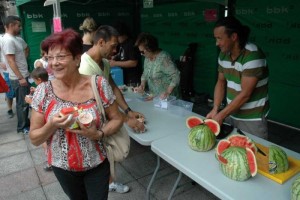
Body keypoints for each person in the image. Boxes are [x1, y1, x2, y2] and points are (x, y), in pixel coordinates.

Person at [29, 29, 123, 200]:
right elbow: (34, 138)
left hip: (97, 163)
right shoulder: (43, 91)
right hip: (62, 167)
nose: (54, 63)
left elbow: (117, 119)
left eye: (61, 57)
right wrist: (52, 124)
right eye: (50, 58)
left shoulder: (98, 84)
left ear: (77, 58)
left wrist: (99, 133)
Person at [79, 25, 145, 194]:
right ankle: (105, 185)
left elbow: (113, 87)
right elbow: (102, 102)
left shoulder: (105, 63)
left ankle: (108, 182)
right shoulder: (86, 68)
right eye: (113, 46)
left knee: (105, 155)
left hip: (104, 118)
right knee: (99, 157)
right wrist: (126, 119)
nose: (116, 50)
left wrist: (128, 110)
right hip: (91, 121)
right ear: (101, 42)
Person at [206, 16, 270, 139]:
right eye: (216, 38)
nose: (216, 43)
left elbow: (245, 94)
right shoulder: (223, 54)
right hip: (231, 113)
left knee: (254, 152)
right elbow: (220, 82)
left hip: (252, 118)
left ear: (234, 37)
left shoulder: (253, 56)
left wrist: (220, 115)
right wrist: (215, 109)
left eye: (219, 38)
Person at [1, 16, 30, 134]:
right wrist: (20, 77)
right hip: (19, 78)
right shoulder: (8, 40)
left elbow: (26, 49)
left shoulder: (16, 38)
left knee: (25, 101)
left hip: (23, 74)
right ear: (11, 25)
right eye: (18, 25)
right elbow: (11, 61)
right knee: (21, 103)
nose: (20, 28)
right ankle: (22, 127)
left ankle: (25, 123)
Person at [135, 32, 180, 100]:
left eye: (142, 52)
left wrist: (168, 92)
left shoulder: (164, 58)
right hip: (155, 98)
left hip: (168, 99)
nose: (141, 54)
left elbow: (176, 75)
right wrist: (142, 85)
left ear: (149, 48)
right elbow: (145, 73)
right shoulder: (147, 58)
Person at [24, 67, 51, 171]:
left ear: (39, 80)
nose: (34, 82)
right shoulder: (49, 84)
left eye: (34, 80)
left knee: (44, 140)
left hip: (43, 119)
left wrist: (29, 101)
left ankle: (49, 161)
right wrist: (36, 89)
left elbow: (39, 106)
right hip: (49, 117)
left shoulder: (41, 88)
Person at [109, 21, 142, 85]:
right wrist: (114, 57)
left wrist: (115, 63)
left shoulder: (131, 44)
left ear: (122, 34)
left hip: (133, 80)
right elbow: (123, 55)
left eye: (117, 36)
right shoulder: (122, 43)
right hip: (125, 78)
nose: (116, 39)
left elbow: (133, 63)